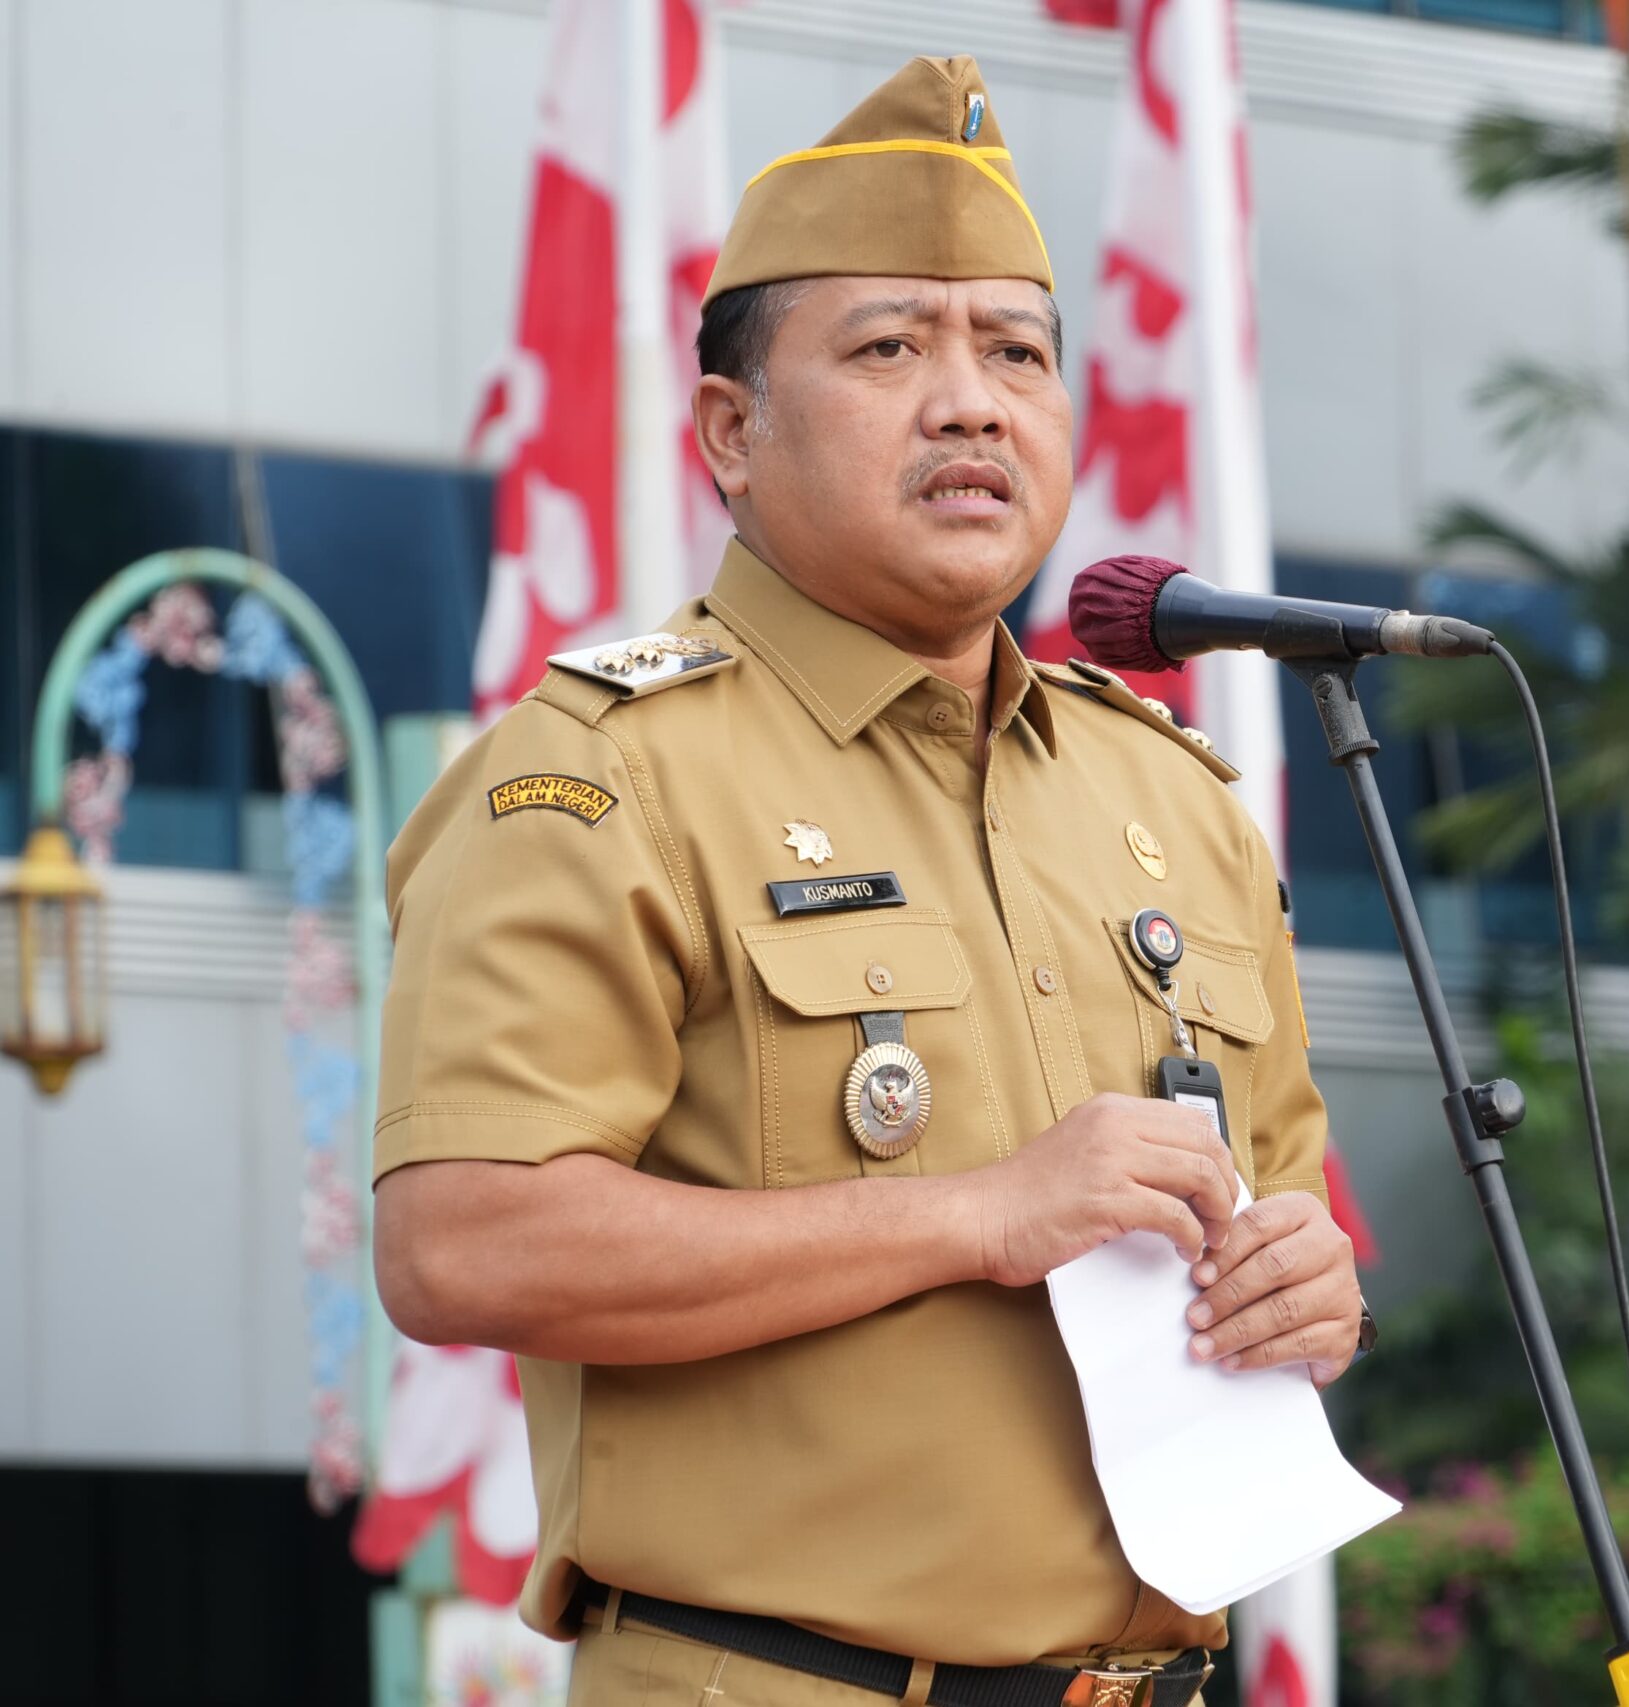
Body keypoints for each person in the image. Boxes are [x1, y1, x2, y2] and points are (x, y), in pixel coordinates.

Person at [372, 55, 1370, 1707]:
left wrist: (1312, 1293)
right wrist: (977, 1214)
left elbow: (1282, 1215)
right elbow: (460, 1244)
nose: (972, 403)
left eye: (1017, 352)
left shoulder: (1171, 795)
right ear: (731, 431)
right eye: (892, 348)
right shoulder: (607, 773)